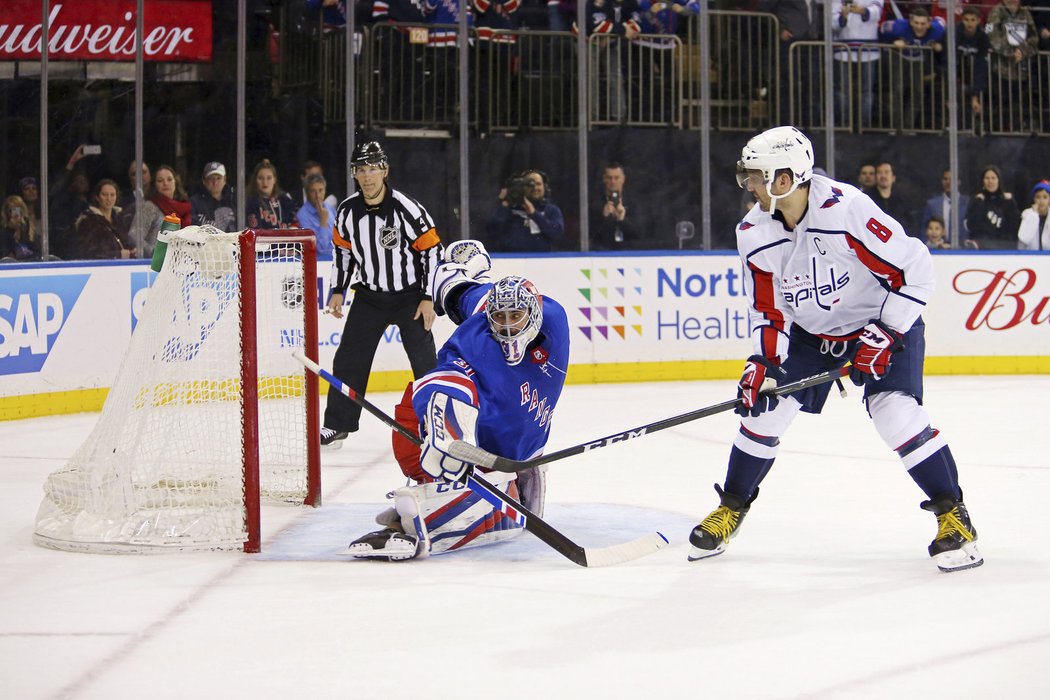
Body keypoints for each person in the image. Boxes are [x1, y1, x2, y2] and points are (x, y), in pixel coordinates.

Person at [688, 126, 983, 574]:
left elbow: (916, 270)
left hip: (881, 321)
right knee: (765, 413)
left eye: (754, 175)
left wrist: (885, 332)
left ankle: (953, 517)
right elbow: (769, 310)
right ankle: (731, 507)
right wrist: (763, 362)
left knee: (894, 413)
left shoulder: (846, 210)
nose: (747, 184)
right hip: (811, 336)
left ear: (783, 179)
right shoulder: (752, 231)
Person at [347, 240, 570, 561]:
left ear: (533, 314)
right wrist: (446, 420)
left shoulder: (553, 318)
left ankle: (505, 488)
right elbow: (454, 294)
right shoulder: (480, 327)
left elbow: (458, 287)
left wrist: (466, 270)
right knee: (412, 414)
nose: (506, 326)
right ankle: (435, 487)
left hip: (516, 438)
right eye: (500, 316)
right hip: (487, 420)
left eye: (515, 316)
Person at [321, 141, 443, 449]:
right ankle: (338, 424)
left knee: (425, 361)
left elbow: (431, 251)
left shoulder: (406, 207)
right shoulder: (348, 211)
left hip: (410, 297)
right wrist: (338, 290)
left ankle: (436, 423)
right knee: (348, 358)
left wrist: (428, 297)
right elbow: (343, 253)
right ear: (354, 174)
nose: (367, 176)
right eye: (360, 170)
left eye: (372, 169)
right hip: (370, 297)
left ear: (385, 170)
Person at [879, 7, 945, 131]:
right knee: (897, 89)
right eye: (916, 23)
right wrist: (892, 42)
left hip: (918, 58)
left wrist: (939, 45)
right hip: (897, 56)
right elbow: (881, 29)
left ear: (929, 23)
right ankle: (896, 126)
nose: (919, 27)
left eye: (923, 24)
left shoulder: (937, 30)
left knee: (918, 92)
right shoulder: (899, 27)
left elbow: (943, 22)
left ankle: (909, 126)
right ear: (910, 22)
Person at [985, 0, 1038, 132]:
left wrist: (1022, 51)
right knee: (1000, 101)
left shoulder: (1025, 13)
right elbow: (990, 34)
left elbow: (1034, 37)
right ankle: (996, 128)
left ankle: (1020, 127)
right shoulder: (996, 11)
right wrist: (1010, 53)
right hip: (1000, 69)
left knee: (1020, 101)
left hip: (1022, 71)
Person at [831, 0, 883, 129]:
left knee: (866, 90)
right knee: (842, 90)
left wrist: (863, 11)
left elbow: (878, 11)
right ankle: (844, 125)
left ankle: (864, 127)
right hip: (843, 48)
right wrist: (843, 16)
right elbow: (832, 21)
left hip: (869, 48)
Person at [486, 169, 565, 252]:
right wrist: (504, 204)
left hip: (543, 261)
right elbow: (492, 231)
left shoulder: (551, 210)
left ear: (545, 187)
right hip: (510, 261)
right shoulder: (507, 209)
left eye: (538, 184)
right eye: (530, 184)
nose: (535, 187)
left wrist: (534, 214)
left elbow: (557, 233)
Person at [69, 180, 135, 260]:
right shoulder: (88, 222)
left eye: (112, 195)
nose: (109, 199)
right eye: (104, 195)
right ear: (97, 197)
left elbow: (126, 243)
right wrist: (117, 255)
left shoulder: (120, 219)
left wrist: (132, 251)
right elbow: (88, 253)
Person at [964, 165, 1020, 249]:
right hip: (981, 249)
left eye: (993, 178)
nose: (990, 181)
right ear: (983, 181)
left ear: (999, 180)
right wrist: (979, 203)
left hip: (1003, 249)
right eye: (987, 178)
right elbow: (970, 225)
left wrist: (1010, 203)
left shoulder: (1007, 200)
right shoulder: (977, 200)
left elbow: (1015, 226)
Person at [590, 162, 642, 250]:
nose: (613, 182)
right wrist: (604, 217)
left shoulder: (634, 202)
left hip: (629, 252)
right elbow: (591, 235)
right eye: (609, 178)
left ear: (623, 179)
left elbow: (639, 234)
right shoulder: (595, 203)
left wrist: (622, 219)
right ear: (604, 179)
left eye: (616, 178)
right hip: (602, 252)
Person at [955, 6, 990, 128]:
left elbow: (981, 65)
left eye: (972, 20)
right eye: (966, 19)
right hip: (957, 74)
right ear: (961, 20)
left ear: (979, 21)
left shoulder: (983, 38)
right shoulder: (954, 33)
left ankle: (975, 126)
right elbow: (949, 61)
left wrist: (975, 96)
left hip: (974, 73)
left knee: (977, 90)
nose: (969, 23)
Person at [918, 169, 969, 246]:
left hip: (963, 252)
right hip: (938, 252)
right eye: (945, 179)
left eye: (952, 179)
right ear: (942, 181)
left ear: (959, 182)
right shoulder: (932, 205)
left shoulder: (968, 203)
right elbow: (923, 231)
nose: (948, 182)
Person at [865, 162, 915, 236]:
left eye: (886, 172)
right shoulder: (868, 198)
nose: (883, 176)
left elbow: (909, 224)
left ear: (893, 177)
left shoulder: (902, 200)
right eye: (880, 173)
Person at [245, 159, 297, 230]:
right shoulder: (251, 202)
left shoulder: (284, 199)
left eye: (269, 178)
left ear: (274, 180)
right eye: (260, 178)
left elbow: (294, 223)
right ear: (255, 180)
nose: (265, 182)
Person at [295, 172, 336, 258]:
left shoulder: (329, 208)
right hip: (318, 263)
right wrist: (323, 222)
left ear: (325, 190)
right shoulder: (302, 215)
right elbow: (321, 250)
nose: (318, 196)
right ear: (307, 193)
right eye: (313, 191)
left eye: (320, 190)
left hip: (337, 259)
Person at [191, 161, 237, 232]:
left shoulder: (234, 201)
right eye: (210, 178)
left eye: (218, 178)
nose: (215, 182)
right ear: (204, 180)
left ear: (225, 179)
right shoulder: (194, 202)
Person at [1, 195, 40, 261]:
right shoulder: (3, 232)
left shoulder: (29, 230)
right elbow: (4, 255)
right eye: (11, 210)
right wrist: (11, 230)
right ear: (7, 213)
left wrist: (21, 230)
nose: (15, 213)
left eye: (17, 210)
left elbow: (38, 253)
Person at [1017, 180, 1050, 250]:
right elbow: (1023, 240)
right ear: (1034, 199)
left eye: (1045, 197)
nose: (1041, 201)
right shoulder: (1027, 214)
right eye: (1038, 197)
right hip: (1031, 257)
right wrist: (1033, 216)